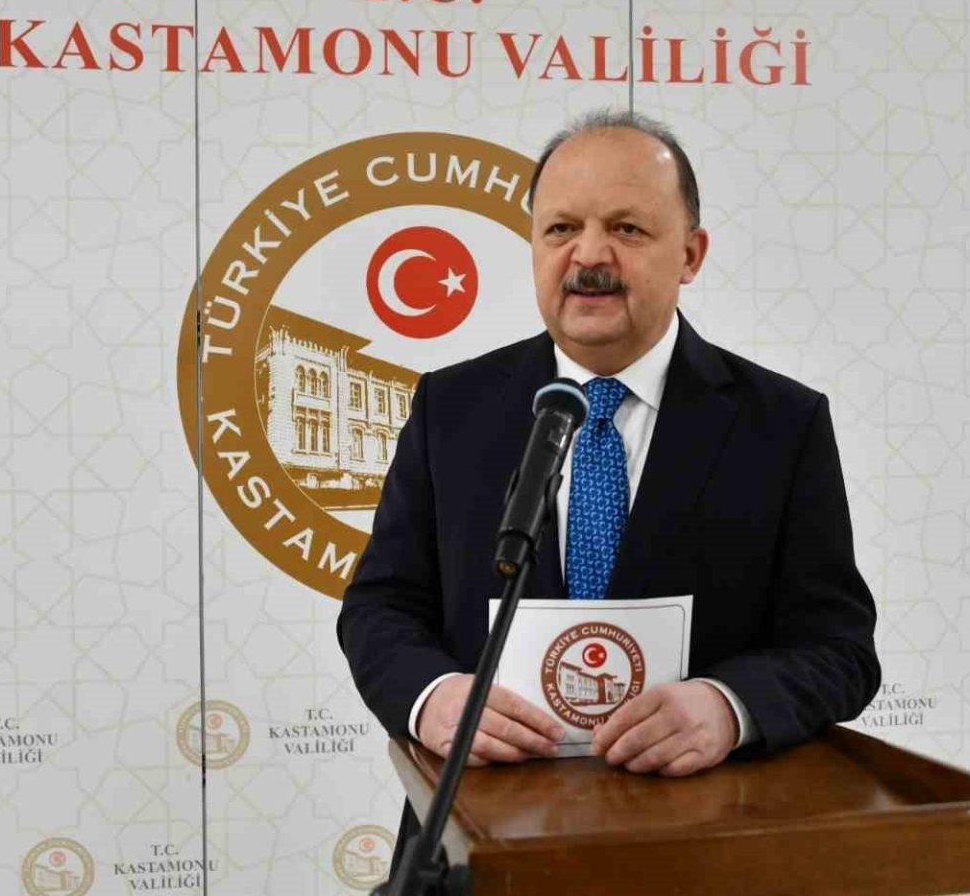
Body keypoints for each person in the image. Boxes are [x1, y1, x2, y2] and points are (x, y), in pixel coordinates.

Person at [336, 109, 880, 855]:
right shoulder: (451, 409)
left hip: (704, 850)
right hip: (481, 850)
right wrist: (434, 699)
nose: (588, 255)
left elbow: (839, 648)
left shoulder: (781, 424)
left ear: (690, 254)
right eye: (561, 229)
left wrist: (730, 707)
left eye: (627, 228)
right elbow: (381, 607)